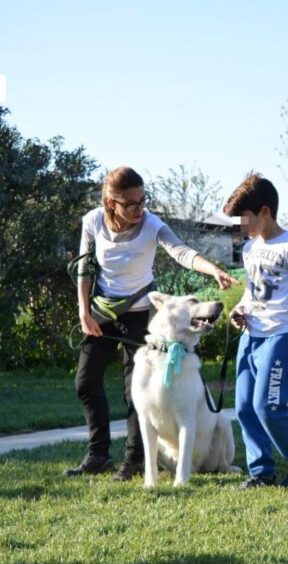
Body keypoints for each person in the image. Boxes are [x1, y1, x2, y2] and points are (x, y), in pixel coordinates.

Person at [65, 166, 237, 480]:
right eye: (130, 203)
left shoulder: (151, 224)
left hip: (140, 312)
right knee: (86, 382)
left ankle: (133, 461)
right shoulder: (92, 221)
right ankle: (97, 454)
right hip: (101, 312)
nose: (139, 209)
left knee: (137, 390)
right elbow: (85, 268)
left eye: (143, 200)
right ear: (110, 204)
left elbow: (181, 251)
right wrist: (83, 311)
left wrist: (212, 270)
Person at [223, 172, 288, 489]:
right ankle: (261, 472)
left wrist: (280, 320)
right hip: (250, 335)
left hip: (279, 337)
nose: (241, 226)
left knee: (269, 407)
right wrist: (242, 308)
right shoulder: (250, 247)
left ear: (265, 212)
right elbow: (253, 290)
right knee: (244, 407)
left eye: (244, 219)